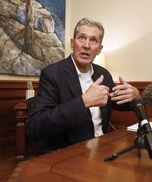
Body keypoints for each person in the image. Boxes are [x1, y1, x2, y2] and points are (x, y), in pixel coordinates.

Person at [26, 18, 140, 154]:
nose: (86, 45)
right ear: (72, 44)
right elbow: (35, 126)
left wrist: (135, 95)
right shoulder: (52, 74)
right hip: (68, 154)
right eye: (81, 38)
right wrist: (83, 102)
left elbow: (120, 103)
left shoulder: (103, 74)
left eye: (93, 40)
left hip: (103, 149)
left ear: (99, 49)